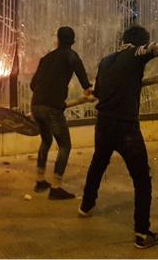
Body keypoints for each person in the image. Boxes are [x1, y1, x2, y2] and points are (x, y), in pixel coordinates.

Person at [79, 24, 158, 249]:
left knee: (98, 163)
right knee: (142, 180)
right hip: (126, 128)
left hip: (103, 124)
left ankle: (85, 205)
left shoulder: (105, 61)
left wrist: (93, 91)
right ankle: (142, 233)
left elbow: (99, 93)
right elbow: (156, 48)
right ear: (140, 42)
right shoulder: (136, 52)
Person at [30, 26, 93, 200]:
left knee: (46, 141)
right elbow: (84, 80)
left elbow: (33, 85)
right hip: (52, 109)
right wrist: (88, 89)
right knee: (65, 145)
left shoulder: (45, 58)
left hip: (36, 106)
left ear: (57, 39)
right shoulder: (71, 56)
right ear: (73, 41)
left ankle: (40, 180)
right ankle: (56, 187)